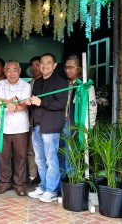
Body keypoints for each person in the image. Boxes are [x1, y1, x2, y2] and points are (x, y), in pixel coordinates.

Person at [25, 53, 68, 203]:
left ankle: (52, 190)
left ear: (55, 65)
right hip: (37, 125)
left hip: (50, 126)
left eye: (48, 63)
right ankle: (43, 186)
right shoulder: (37, 83)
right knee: (39, 159)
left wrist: (40, 102)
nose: (44, 65)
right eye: (42, 63)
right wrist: (31, 102)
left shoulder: (61, 82)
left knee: (51, 159)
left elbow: (61, 104)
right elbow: (37, 102)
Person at [0, 60, 31, 196]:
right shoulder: (0, 84)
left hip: (20, 127)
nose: (12, 73)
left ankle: (20, 184)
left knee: (20, 157)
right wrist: (13, 101)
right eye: (8, 70)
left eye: (14, 70)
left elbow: (25, 103)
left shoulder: (26, 85)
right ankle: (4, 183)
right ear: (5, 72)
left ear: (19, 71)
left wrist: (16, 105)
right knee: (3, 157)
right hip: (4, 127)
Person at [60, 54, 97, 182]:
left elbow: (91, 108)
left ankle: (71, 183)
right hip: (59, 124)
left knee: (71, 156)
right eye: (66, 67)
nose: (67, 70)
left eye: (71, 67)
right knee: (59, 154)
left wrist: (88, 128)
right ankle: (61, 186)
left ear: (79, 69)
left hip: (73, 125)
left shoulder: (85, 86)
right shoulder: (63, 84)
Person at [26, 56, 42, 186]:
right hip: (30, 121)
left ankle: (44, 177)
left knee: (45, 151)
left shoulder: (48, 83)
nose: (34, 67)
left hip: (44, 122)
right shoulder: (28, 85)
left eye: (37, 64)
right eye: (33, 65)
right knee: (30, 150)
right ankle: (33, 176)